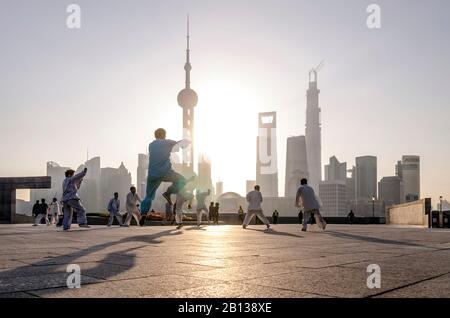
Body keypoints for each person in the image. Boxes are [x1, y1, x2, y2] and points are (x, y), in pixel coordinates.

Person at [139, 128, 191, 225]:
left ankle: (143, 214)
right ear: (163, 135)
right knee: (182, 180)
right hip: (166, 172)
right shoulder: (167, 143)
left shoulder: (151, 145)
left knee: (149, 196)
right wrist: (187, 141)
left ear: (155, 135)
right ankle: (169, 192)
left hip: (152, 174)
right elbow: (179, 145)